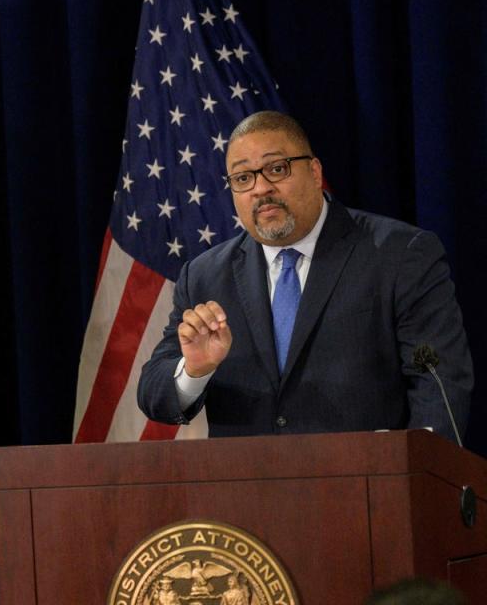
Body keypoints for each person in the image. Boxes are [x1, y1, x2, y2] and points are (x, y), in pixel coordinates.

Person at [137, 111, 473, 440]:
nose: (261, 188)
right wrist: (195, 370)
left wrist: (410, 482)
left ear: (314, 171)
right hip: (245, 489)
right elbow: (154, 395)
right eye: (243, 178)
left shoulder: (399, 254)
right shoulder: (205, 275)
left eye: (277, 169)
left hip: (365, 486)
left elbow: (440, 385)